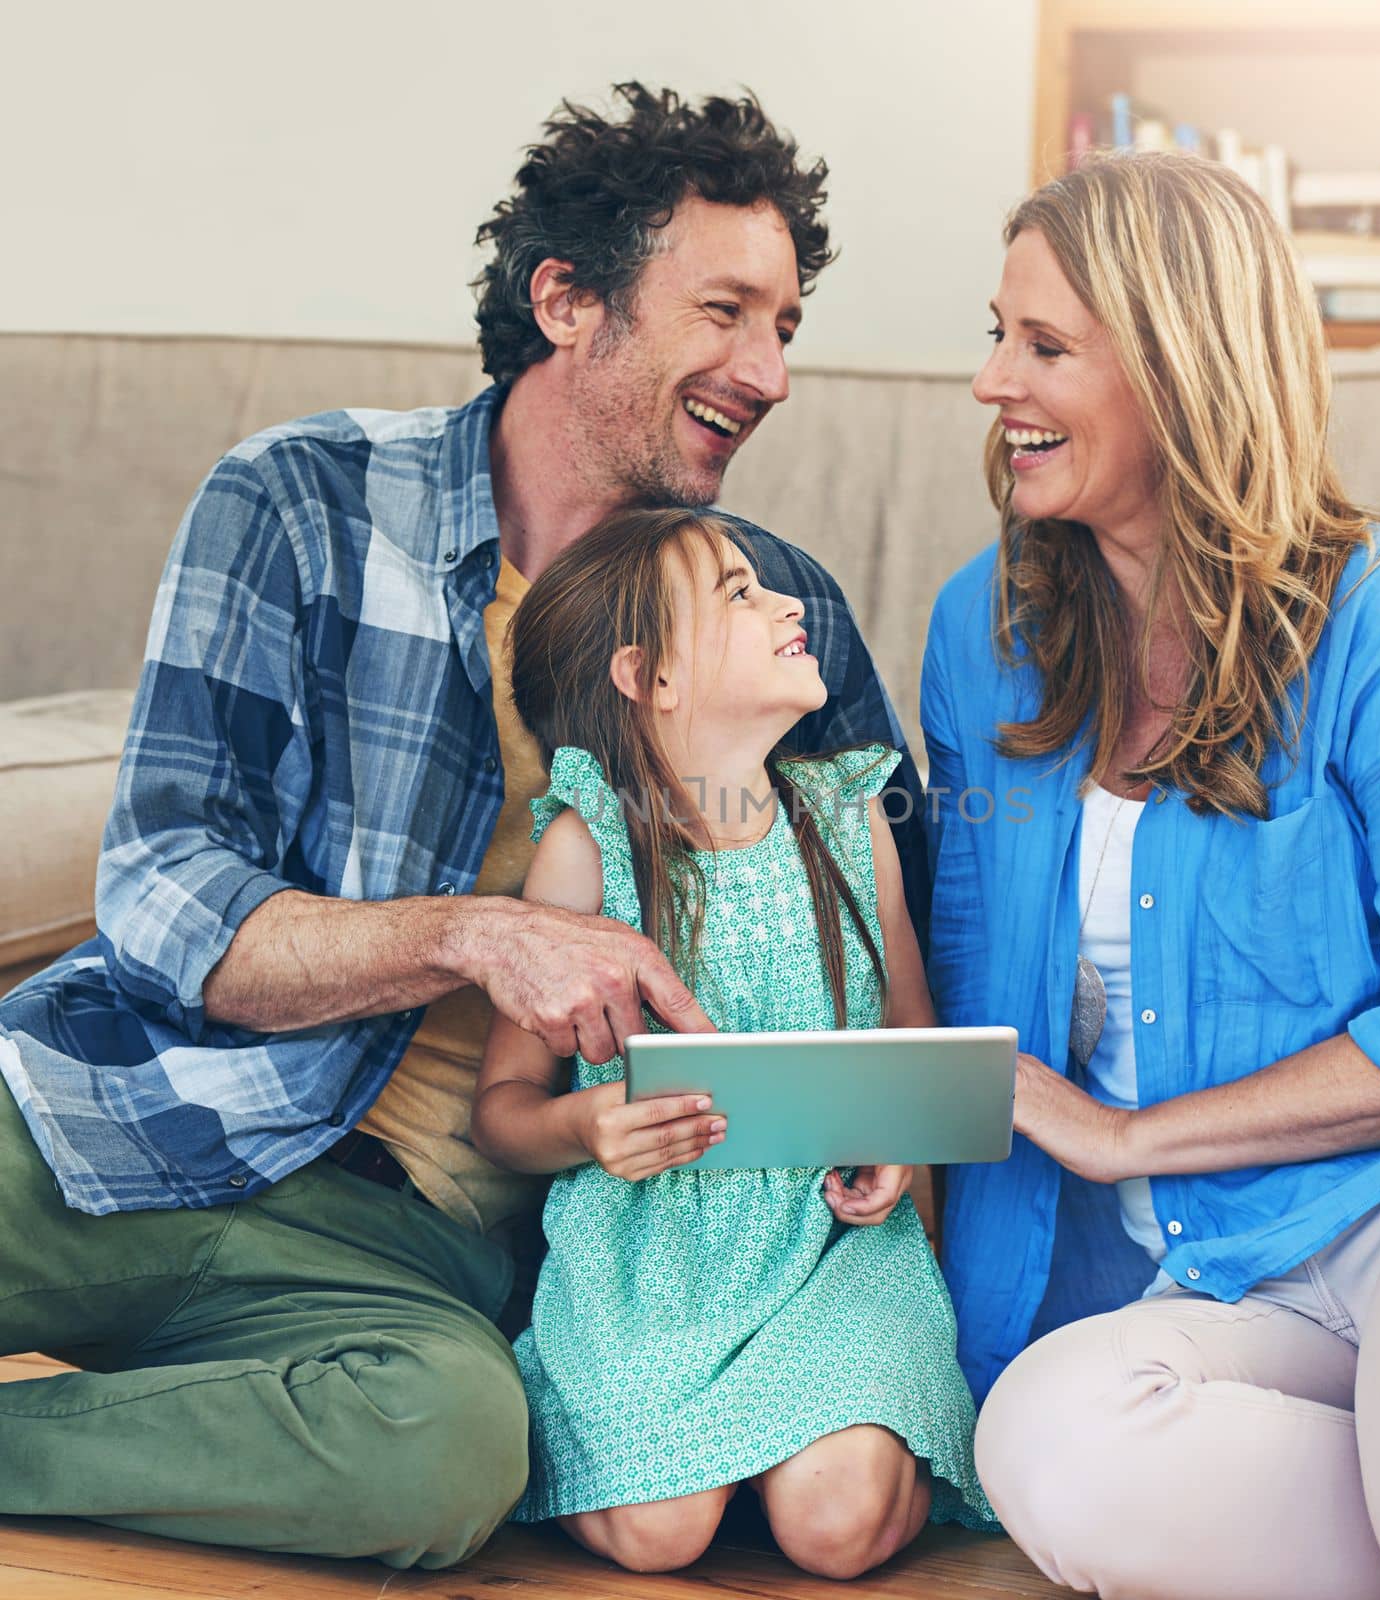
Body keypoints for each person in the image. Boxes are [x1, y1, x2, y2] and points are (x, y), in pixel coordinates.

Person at [0, 83, 926, 1569]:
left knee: (452, 1456)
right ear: (568, 299)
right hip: (132, 1116)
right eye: (729, 312)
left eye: (788, 328)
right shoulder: (303, 499)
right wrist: (480, 937)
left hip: (418, 1258)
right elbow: (163, 893)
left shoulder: (775, 614)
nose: (769, 371)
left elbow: (879, 949)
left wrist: (869, 1168)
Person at [922, 150, 1380, 1600]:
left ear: (1176, 368)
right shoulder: (984, 632)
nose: (992, 383)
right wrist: (910, 1160)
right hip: (1230, 1254)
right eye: (998, 335)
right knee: (1048, 1446)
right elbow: (987, 995)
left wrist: (1124, 1138)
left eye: (1042, 345)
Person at [471, 505, 990, 1576]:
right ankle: (722, 1457)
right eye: (740, 594)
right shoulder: (585, 853)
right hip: (650, 1264)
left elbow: (912, 1040)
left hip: (832, 1249)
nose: (789, 603)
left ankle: (783, 1448)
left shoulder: (848, 819)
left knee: (837, 1528)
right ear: (646, 676)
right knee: (660, 1534)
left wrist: (901, 1150)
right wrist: (586, 1122)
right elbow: (504, 1113)